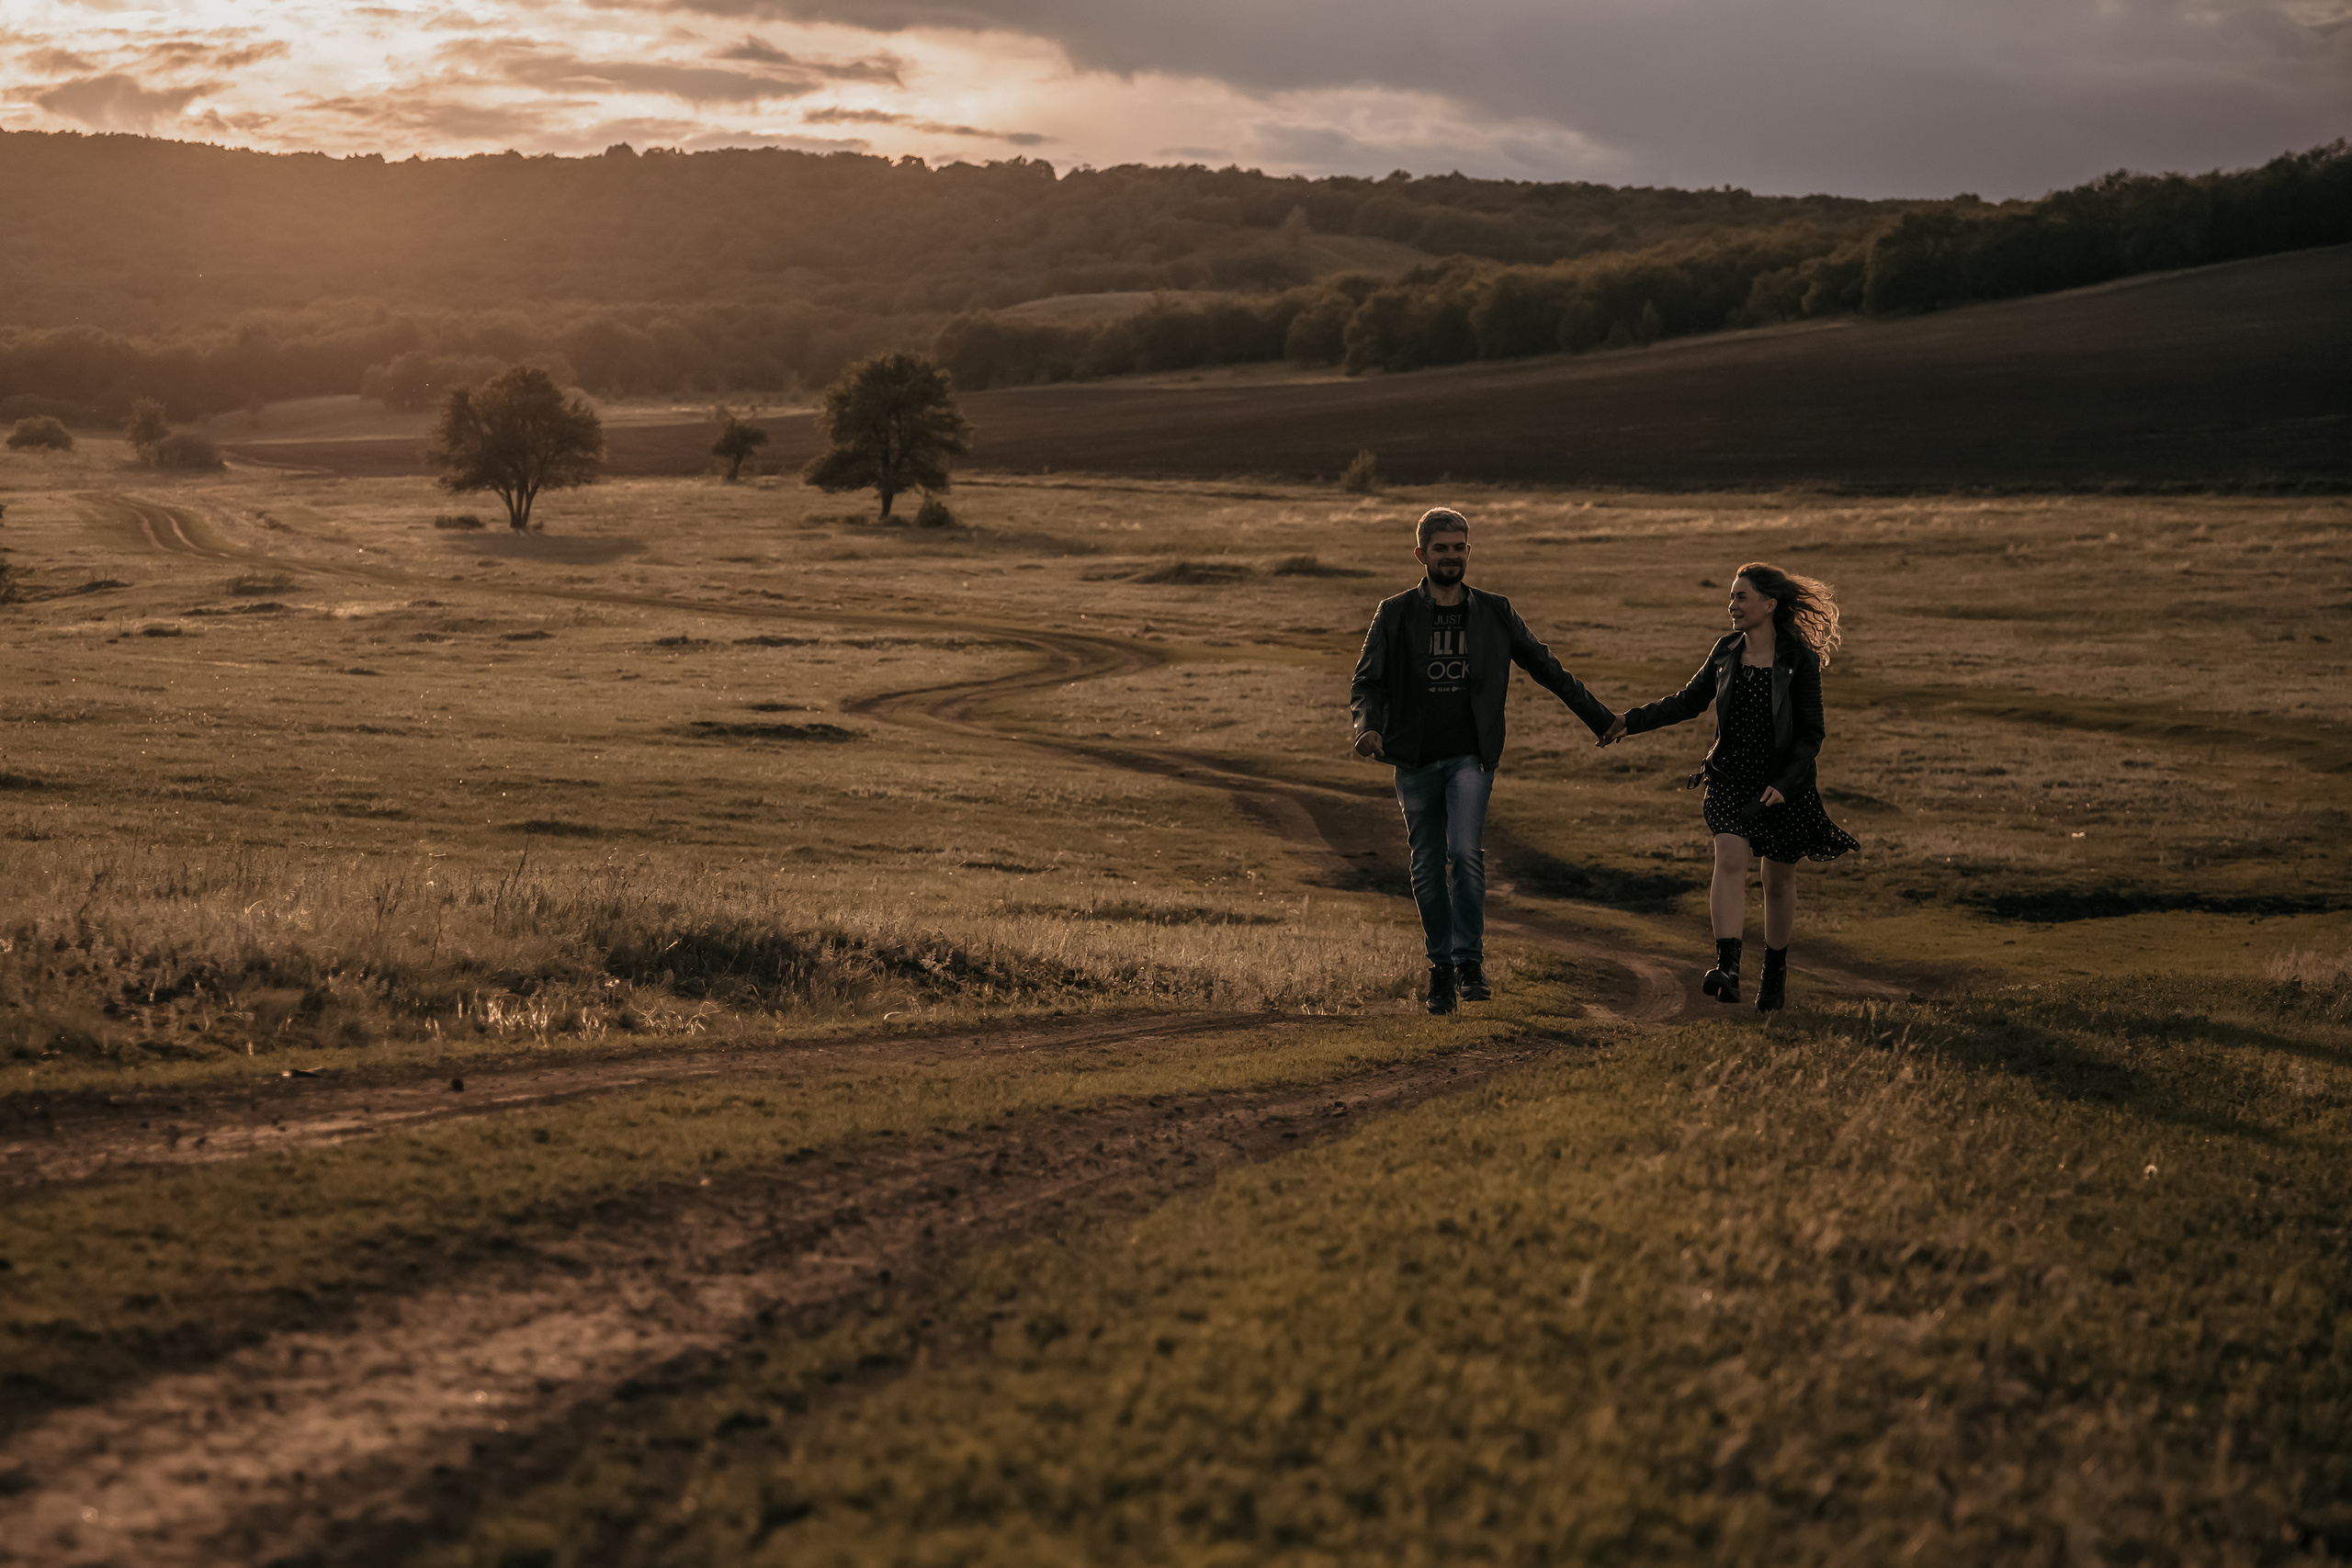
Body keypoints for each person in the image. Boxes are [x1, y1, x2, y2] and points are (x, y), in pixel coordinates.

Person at [1351, 507, 1617, 1015]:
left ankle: (1469, 961)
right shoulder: (1395, 613)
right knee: (1427, 865)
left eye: (1459, 548)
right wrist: (1367, 727)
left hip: (1471, 757)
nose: (1451, 557)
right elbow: (1367, 681)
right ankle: (1440, 968)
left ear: (1469, 551)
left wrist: (1599, 718)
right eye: (1441, 549)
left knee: (1465, 853)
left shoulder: (1495, 612)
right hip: (1414, 759)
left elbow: (1545, 666)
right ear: (1421, 554)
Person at [1600, 562, 1857, 1011]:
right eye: (1732, 596)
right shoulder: (1725, 651)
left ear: (1769, 604)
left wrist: (1785, 783)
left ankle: (1773, 975)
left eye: (1741, 597)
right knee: (1730, 858)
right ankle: (1728, 967)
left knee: (1778, 881)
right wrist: (1629, 722)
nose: (1732, 605)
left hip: (1783, 788)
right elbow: (1687, 702)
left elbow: (1811, 734)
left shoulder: (1798, 660)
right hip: (1729, 779)